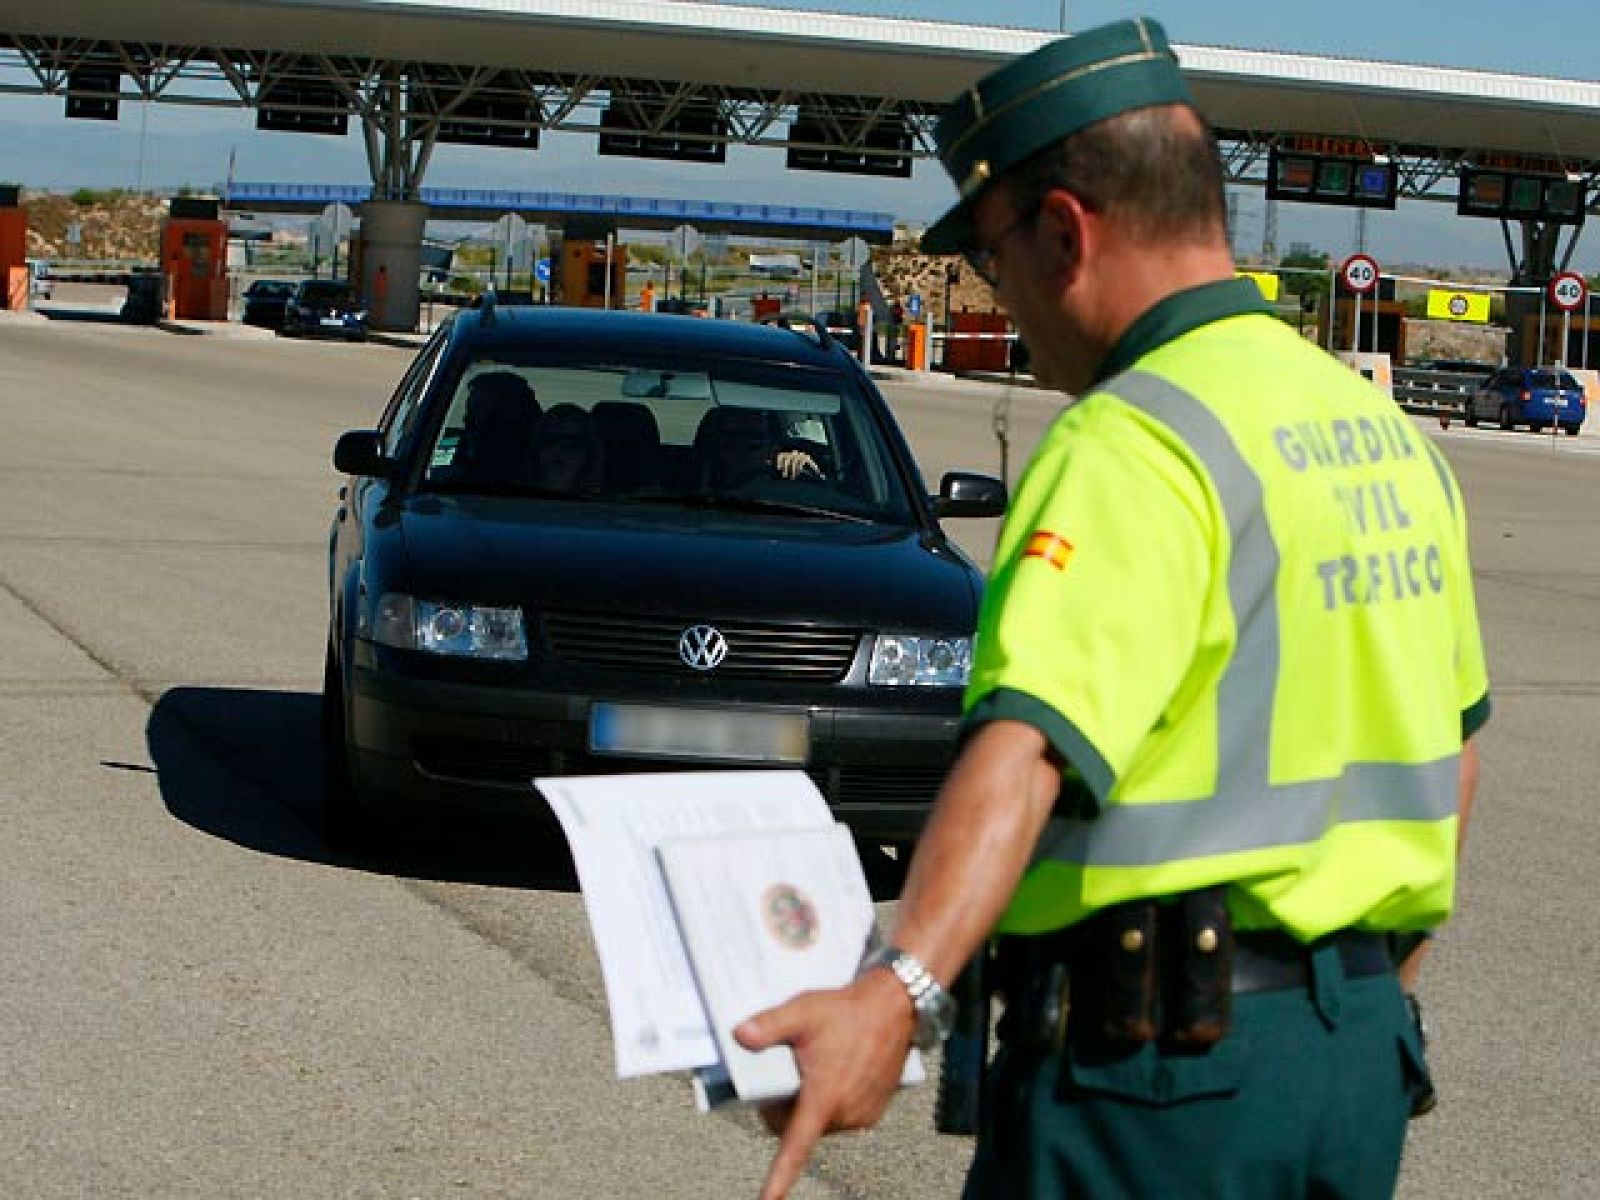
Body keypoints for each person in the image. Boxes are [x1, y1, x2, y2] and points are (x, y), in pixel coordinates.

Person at [735, 17, 1489, 1200]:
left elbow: (1025, 750)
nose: (1008, 295)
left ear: (1064, 230)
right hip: (1349, 1072)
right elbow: (1451, 763)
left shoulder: (1134, 437)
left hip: (1157, 1086)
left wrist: (898, 997)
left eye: (993, 257)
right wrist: (1335, 996)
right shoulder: (1380, 438)